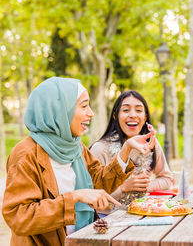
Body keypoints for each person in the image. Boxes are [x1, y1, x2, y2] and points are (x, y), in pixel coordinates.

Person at [2, 77, 155, 246]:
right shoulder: (25, 155)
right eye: (84, 106)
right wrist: (75, 197)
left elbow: (99, 183)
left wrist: (126, 150)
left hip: (82, 240)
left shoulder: (76, 146)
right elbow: (19, 217)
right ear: (60, 110)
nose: (91, 113)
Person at [90, 90, 173, 209]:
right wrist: (124, 188)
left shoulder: (151, 144)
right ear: (115, 116)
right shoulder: (100, 149)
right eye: (126, 110)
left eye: (138, 110)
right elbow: (91, 196)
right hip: (107, 218)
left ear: (145, 118)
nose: (133, 115)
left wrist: (144, 186)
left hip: (142, 212)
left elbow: (167, 178)